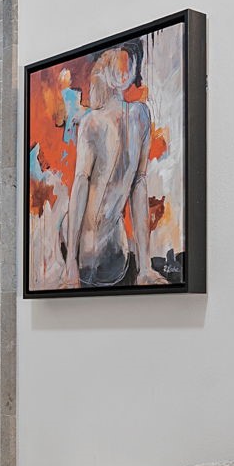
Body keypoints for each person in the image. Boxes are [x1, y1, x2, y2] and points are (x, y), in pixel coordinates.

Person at [63, 46, 168, 288]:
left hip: (115, 252)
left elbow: (139, 184)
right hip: (81, 247)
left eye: (129, 61)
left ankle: (143, 268)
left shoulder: (141, 115)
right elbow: (80, 185)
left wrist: (145, 266)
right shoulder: (91, 122)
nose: (124, 68)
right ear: (105, 67)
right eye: (117, 60)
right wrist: (71, 261)